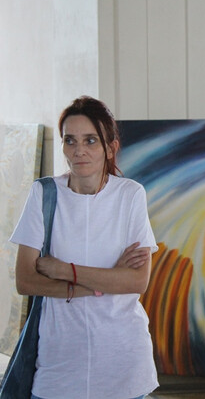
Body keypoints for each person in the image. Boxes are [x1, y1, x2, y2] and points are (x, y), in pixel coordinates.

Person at [10, 96, 158, 399]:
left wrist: (64, 271)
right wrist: (103, 282)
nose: (79, 151)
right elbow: (26, 281)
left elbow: (136, 281)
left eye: (90, 140)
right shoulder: (44, 194)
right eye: (70, 141)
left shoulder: (130, 195)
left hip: (123, 361)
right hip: (58, 360)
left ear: (110, 147)